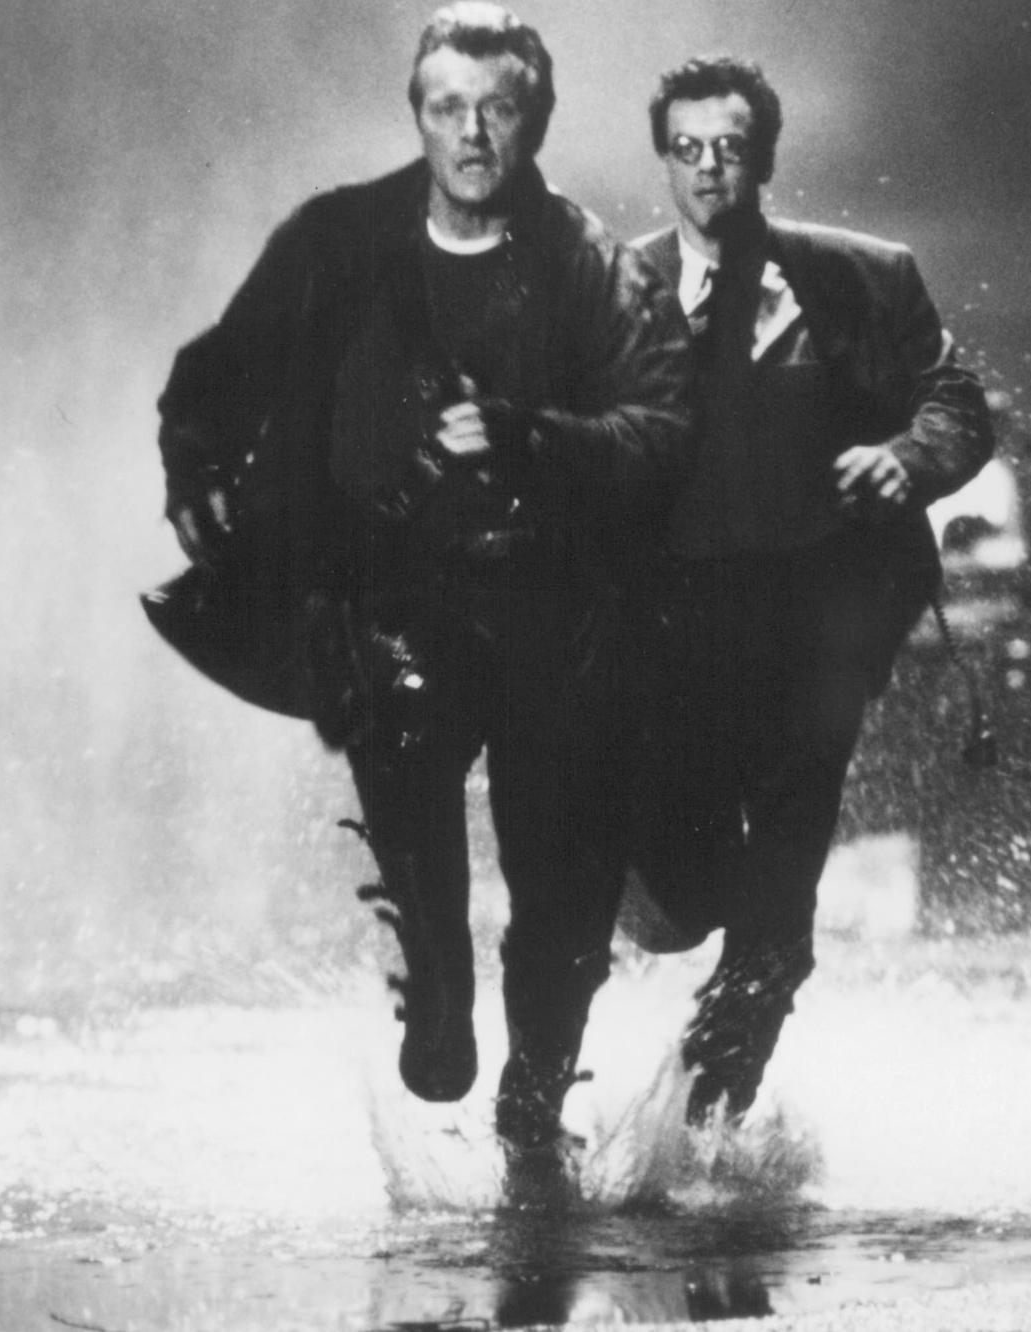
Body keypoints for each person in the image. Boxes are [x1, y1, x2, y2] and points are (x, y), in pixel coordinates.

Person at [150, 3, 691, 1153]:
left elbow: (659, 431)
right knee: (420, 866)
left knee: (562, 897)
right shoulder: (338, 241)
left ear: (536, 117)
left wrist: (531, 437)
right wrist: (193, 469)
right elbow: (218, 372)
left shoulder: (592, 266)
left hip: (553, 613)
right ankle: (437, 994)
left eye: (498, 109)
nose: (473, 134)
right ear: (419, 115)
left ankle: (535, 1100)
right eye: (449, 108)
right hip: (392, 606)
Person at [626, 55, 993, 1126]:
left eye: (730, 148)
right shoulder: (608, 289)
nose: (709, 169)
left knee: (778, 897)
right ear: (665, 161)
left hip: (817, 630)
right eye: (687, 149)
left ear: (765, 161)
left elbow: (957, 404)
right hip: (672, 638)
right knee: (680, 885)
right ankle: (713, 948)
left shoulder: (864, 277)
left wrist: (905, 459)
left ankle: (707, 1131)